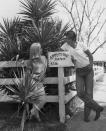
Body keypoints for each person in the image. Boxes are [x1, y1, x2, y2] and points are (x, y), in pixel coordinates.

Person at [61, 30, 104, 122]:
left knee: (89, 94)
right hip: (79, 71)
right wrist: (70, 59)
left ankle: (86, 117)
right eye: (66, 38)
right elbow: (60, 55)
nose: (66, 39)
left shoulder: (81, 45)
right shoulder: (65, 46)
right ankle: (97, 108)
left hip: (88, 71)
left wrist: (91, 64)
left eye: (67, 38)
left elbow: (90, 55)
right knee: (80, 92)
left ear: (72, 39)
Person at [26, 42, 47, 121]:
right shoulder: (30, 61)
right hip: (33, 82)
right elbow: (28, 74)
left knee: (43, 100)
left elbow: (44, 70)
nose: (42, 49)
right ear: (36, 50)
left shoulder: (44, 58)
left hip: (40, 82)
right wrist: (34, 77)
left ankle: (32, 112)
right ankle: (37, 116)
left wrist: (41, 75)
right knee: (36, 100)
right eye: (40, 48)